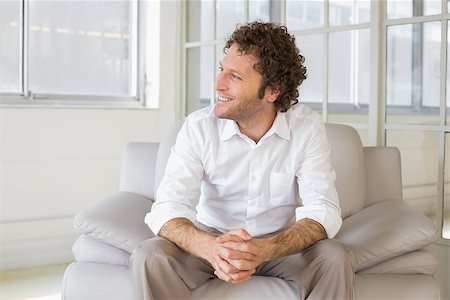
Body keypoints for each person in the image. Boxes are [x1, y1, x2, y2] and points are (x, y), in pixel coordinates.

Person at [131, 21, 354, 300]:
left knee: (335, 257)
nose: (218, 84)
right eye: (221, 69)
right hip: (210, 242)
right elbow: (167, 207)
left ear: (272, 90)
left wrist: (264, 249)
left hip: (279, 246)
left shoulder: (306, 128)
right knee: (150, 255)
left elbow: (323, 210)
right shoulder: (198, 127)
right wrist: (211, 248)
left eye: (234, 77)